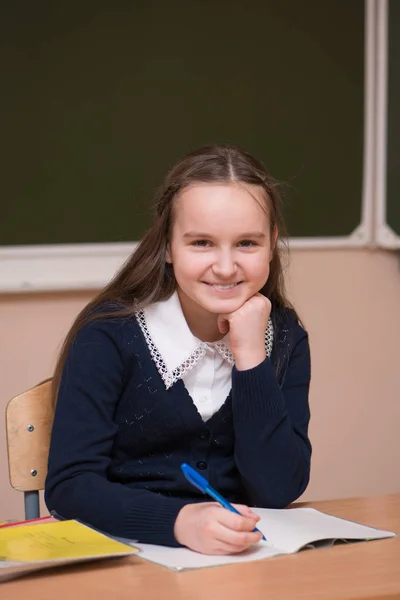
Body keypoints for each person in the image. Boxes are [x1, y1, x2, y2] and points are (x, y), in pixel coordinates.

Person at [45, 144, 311, 556]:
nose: (225, 267)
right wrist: (177, 522)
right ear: (168, 245)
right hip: (125, 561)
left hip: (242, 564)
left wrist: (251, 358)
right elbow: (70, 487)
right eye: (202, 242)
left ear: (272, 242)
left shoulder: (284, 336)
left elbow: (278, 489)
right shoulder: (109, 336)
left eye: (247, 243)